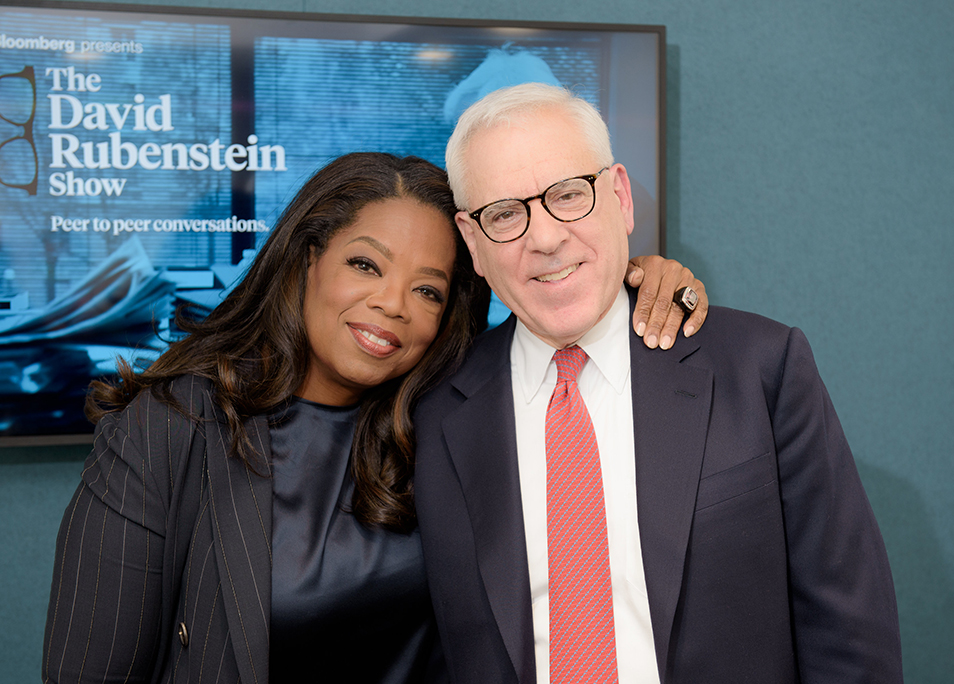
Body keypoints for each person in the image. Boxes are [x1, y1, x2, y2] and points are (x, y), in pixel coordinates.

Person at [42, 152, 707, 684]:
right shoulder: (171, 427)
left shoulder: (453, 421)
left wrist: (645, 281)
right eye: (366, 265)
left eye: (427, 290)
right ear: (307, 261)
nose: (393, 305)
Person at [413, 84, 903, 683]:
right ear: (473, 242)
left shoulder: (761, 369)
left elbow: (849, 631)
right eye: (506, 214)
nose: (544, 238)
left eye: (569, 195)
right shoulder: (435, 415)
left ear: (620, 197)